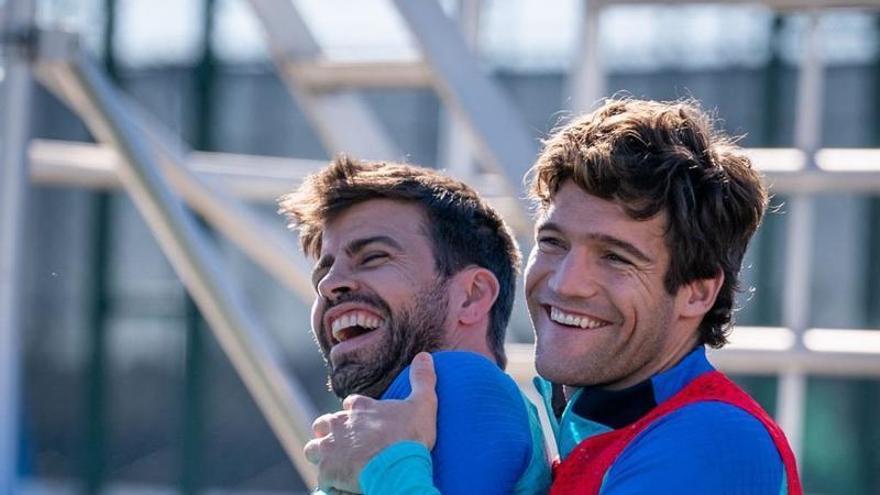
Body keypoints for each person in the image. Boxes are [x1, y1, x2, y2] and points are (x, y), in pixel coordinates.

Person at [306, 98, 803, 495]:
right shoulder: (589, 435)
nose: (565, 282)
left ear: (697, 292)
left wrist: (387, 471)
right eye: (553, 243)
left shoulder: (712, 441)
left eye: (615, 257)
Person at [279, 156, 551, 494]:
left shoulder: (461, 379)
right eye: (323, 273)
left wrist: (387, 467)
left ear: (471, 295)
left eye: (373, 257)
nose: (328, 284)